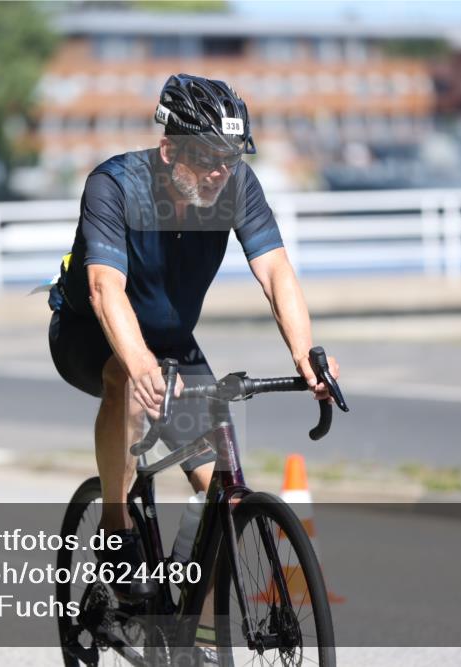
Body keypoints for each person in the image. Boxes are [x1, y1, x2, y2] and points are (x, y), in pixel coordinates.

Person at [48, 73, 340, 569]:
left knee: (222, 494)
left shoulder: (236, 185)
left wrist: (304, 353)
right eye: (207, 157)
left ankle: (193, 632)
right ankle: (117, 535)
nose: (219, 172)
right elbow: (104, 288)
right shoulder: (114, 186)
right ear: (169, 150)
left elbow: (273, 270)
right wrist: (139, 363)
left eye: (231, 158)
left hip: (172, 345)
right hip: (90, 335)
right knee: (124, 379)